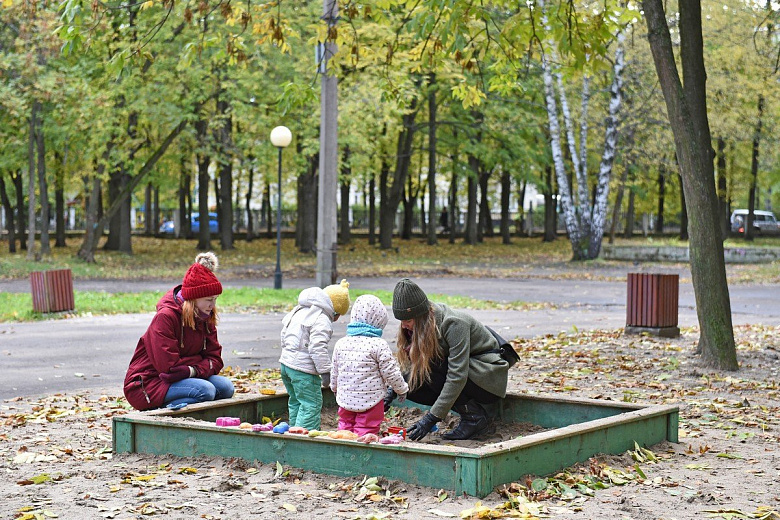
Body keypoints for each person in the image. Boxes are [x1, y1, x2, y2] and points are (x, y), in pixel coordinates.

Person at [385, 278, 509, 441]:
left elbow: (457, 375)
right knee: (409, 386)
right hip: (468, 375)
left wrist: (431, 418)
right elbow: (411, 368)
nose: (403, 326)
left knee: (434, 364)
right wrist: (392, 391)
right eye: (400, 321)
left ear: (420, 316)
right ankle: (470, 413)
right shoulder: (419, 327)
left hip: (488, 377)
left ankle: (474, 418)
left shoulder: (454, 324)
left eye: (407, 321)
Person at [123, 252, 234, 411]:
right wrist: (200, 365)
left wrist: (191, 370)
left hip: (180, 379)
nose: (213, 305)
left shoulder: (204, 316)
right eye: (209, 300)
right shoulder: (165, 317)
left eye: (215, 299)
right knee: (206, 390)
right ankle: (162, 410)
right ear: (193, 299)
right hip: (146, 385)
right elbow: (169, 369)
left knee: (226, 387)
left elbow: (215, 359)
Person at [330, 294, 409, 435]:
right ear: (378, 322)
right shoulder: (378, 345)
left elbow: (335, 370)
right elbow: (391, 372)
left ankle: (344, 446)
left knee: (345, 424)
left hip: (345, 399)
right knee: (366, 428)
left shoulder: (341, 343)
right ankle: (362, 449)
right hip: (371, 400)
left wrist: (334, 387)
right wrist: (401, 389)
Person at [279, 279, 350, 430]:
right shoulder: (322, 319)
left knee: (296, 400)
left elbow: (284, 333)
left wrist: (287, 356)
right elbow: (317, 347)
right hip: (303, 371)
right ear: (335, 310)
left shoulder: (300, 309)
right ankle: (304, 441)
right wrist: (325, 372)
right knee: (311, 403)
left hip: (285, 364)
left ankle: (294, 430)